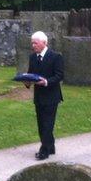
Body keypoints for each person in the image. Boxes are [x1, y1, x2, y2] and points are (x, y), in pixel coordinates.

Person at [25, 31, 64, 160]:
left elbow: (59, 75)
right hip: (39, 97)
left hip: (52, 96)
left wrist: (46, 82)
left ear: (44, 43)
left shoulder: (55, 56)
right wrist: (27, 82)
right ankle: (51, 146)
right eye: (32, 43)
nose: (33, 45)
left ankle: (44, 150)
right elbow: (31, 74)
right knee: (41, 123)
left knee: (47, 124)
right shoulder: (32, 57)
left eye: (35, 43)